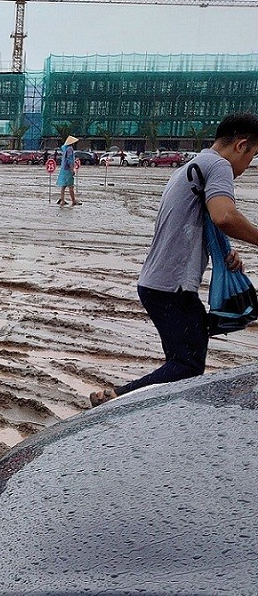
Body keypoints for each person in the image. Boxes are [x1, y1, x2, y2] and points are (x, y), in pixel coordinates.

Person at [90, 112, 258, 406]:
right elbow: (224, 216)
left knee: (186, 360)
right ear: (242, 145)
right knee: (186, 367)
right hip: (171, 287)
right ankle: (116, 401)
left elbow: (198, 222)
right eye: (254, 155)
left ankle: (126, 402)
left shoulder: (190, 166)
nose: (248, 165)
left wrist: (224, 251)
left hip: (160, 283)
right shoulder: (219, 165)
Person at [56, 135, 81, 206]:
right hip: (68, 169)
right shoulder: (70, 149)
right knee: (71, 186)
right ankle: (73, 201)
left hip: (63, 169)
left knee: (63, 186)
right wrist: (72, 169)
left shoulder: (65, 148)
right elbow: (70, 160)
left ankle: (62, 200)